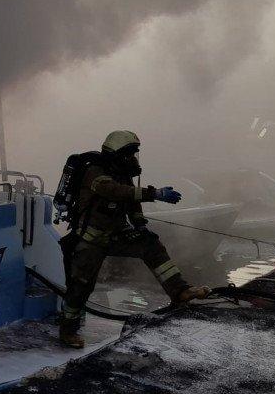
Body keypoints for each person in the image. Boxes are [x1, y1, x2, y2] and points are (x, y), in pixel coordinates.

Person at [59, 130, 210, 348]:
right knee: (80, 286)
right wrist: (154, 194)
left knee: (151, 245)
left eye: (134, 155)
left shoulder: (123, 173)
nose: (133, 159)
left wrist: (140, 225)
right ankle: (67, 331)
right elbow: (116, 192)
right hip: (91, 240)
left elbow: (131, 203)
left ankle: (180, 290)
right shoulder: (95, 172)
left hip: (115, 235)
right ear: (117, 154)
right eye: (129, 154)